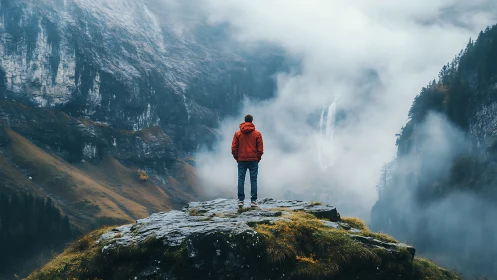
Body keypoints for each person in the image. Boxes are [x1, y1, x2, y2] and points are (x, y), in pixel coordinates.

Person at [231, 114, 264, 208]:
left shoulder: (237, 134)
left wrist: (237, 158)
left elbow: (234, 148)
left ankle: (240, 200)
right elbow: (260, 149)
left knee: (241, 179)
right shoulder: (257, 134)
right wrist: (258, 158)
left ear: (244, 121)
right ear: (252, 121)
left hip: (241, 160)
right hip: (253, 160)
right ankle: (253, 201)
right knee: (253, 180)